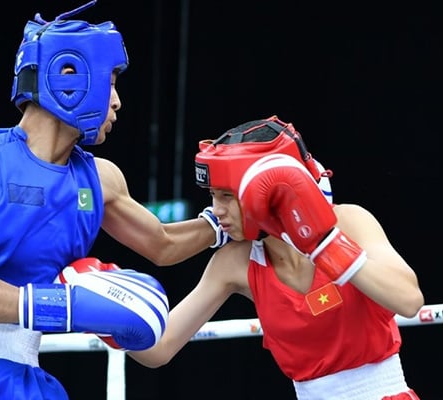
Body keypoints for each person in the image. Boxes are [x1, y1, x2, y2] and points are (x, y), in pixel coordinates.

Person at [0, 2, 227, 399]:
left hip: (23, 374)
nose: (117, 102)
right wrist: (72, 306)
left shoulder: (101, 179)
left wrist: (228, 221)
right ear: (69, 74)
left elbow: (164, 244)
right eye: (112, 81)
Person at [128, 115, 425, 399]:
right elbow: (160, 349)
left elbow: (409, 301)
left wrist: (325, 245)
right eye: (213, 196)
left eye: (227, 196)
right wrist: (108, 315)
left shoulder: (349, 222)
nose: (216, 210)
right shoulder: (235, 263)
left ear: (267, 191)